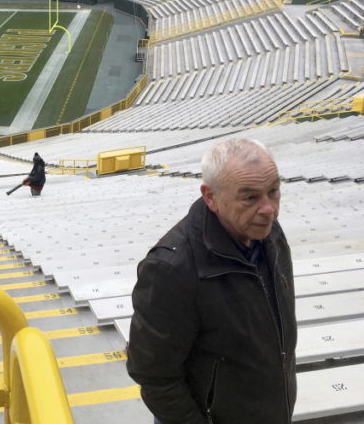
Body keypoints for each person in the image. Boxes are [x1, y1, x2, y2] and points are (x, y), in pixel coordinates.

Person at [126, 139, 297, 424]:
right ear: (210, 197)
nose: (269, 209)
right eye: (250, 197)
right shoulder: (170, 268)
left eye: (273, 191)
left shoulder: (269, 233)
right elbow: (155, 377)